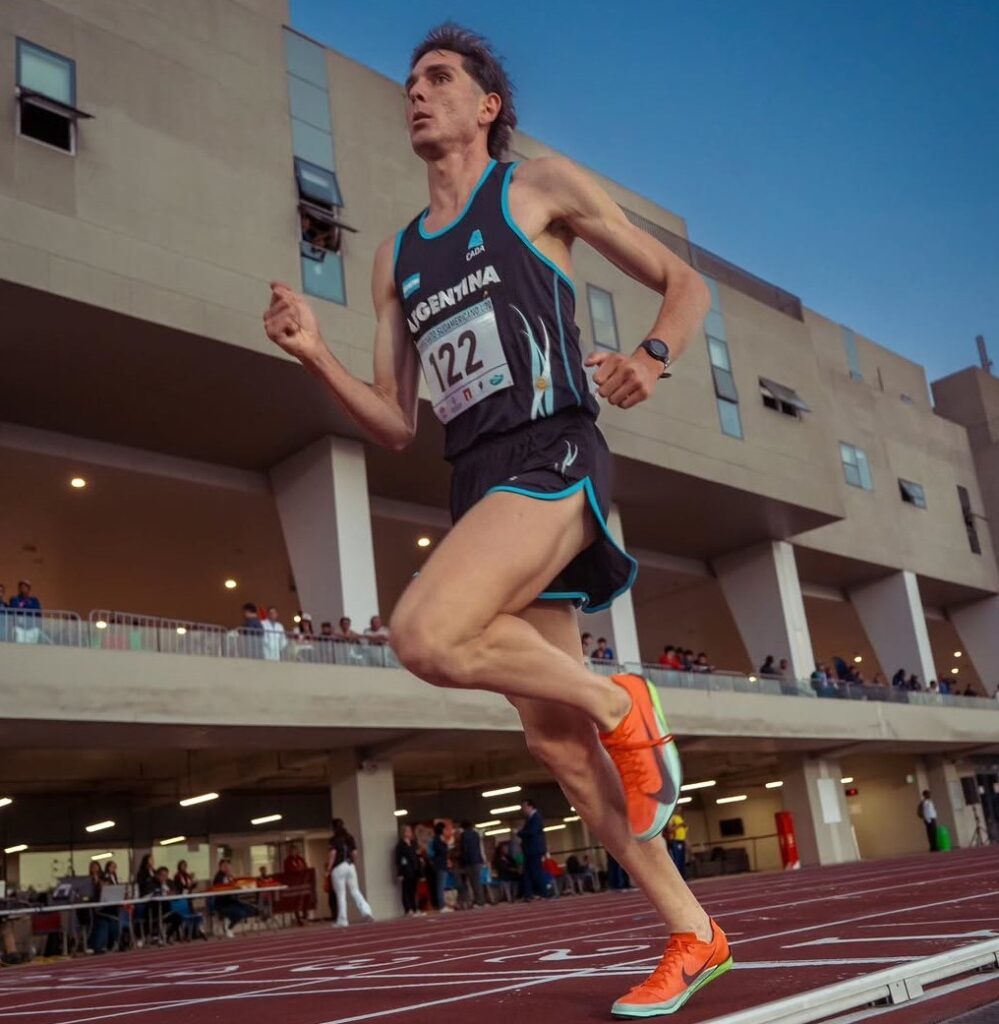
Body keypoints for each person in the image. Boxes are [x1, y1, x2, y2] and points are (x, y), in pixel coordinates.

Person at [262, 23, 727, 1017]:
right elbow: (397, 421)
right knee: (556, 749)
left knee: (423, 632)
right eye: (409, 82)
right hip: (475, 481)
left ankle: (622, 705)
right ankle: (694, 930)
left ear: (487, 106)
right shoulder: (397, 257)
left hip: (552, 452)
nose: (416, 93)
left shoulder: (536, 189)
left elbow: (686, 285)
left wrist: (650, 357)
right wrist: (314, 352)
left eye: (438, 78)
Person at [326, 817, 374, 927]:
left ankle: (343, 920)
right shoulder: (349, 838)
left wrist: (328, 869)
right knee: (355, 891)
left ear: (333, 828)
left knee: (341, 894)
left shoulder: (333, 840)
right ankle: (367, 911)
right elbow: (355, 853)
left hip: (338, 868)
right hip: (350, 865)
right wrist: (353, 864)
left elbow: (333, 854)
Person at [212, 858, 259, 938]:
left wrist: (233, 880)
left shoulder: (229, 877)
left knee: (251, 909)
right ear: (220, 867)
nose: (227, 868)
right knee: (240, 912)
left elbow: (236, 887)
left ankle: (229, 919)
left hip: (232, 902)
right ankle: (229, 928)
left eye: (228, 866)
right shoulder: (219, 877)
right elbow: (223, 890)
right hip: (223, 905)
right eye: (225, 866)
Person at [517, 798, 548, 900]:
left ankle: (544, 892)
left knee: (535, 871)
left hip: (534, 849)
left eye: (524, 806)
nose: (523, 809)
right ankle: (529, 894)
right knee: (527, 873)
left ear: (530, 806)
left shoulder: (536, 817)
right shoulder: (530, 818)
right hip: (529, 850)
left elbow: (532, 832)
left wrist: (519, 833)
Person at [395, 823, 423, 916]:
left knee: (413, 890)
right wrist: (400, 873)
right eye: (407, 831)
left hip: (414, 869)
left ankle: (415, 908)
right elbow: (398, 860)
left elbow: (418, 857)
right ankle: (408, 909)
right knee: (406, 890)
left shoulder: (414, 844)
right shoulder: (400, 846)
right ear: (403, 833)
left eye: (410, 831)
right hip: (406, 870)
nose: (409, 833)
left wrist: (420, 872)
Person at [457, 820, 486, 908]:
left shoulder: (464, 835)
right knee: (477, 882)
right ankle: (480, 900)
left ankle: (478, 901)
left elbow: (464, 849)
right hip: (478, 860)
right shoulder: (476, 834)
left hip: (469, 861)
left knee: (472, 882)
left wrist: (462, 861)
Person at [428, 821, 453, 913]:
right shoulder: (437, 839)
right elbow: (441, 850)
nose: (446, 831)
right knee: (440, 886)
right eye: (445, 829)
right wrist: (446, 845)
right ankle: (441, 905)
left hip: (442, 864)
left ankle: (442, 904)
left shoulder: (439, 839)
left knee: (442, 885)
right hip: (439, 865)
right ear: (441, 829)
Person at [283, 844, 310, 926]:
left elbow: (306, 868)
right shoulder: (287, 861)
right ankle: (298, 919)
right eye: (292, 851)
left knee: (305, 900)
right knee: (295, 902)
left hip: (303, 883)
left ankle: (305, 917)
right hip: (294, 885)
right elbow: (288, 871)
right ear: (289, 852)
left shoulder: (300, 859)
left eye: (295, 850)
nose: (293, 852)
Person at [666, 812, 688, 880]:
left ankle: (683, 876)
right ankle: (677, 877)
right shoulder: (672, 818)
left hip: (682, 840)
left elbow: (684, 830)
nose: (679, 810)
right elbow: (669, 830)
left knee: (682, 859)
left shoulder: (680, 818)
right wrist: (679, 825)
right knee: (677, 859)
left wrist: (685, 840)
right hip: (676, 840)